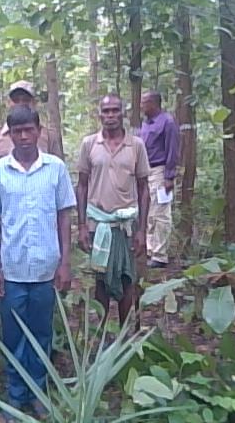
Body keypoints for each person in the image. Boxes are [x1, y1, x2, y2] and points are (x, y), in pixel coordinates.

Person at [0, 105, 76, 423]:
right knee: (13, 335)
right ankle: (15, 397)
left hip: (46, 267)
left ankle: (38, 393)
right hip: (12, 269)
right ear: (9, 134)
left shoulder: (55, 168)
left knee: (41, 332)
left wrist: (65, 261)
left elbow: (64, 216)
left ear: (38, 131)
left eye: (28, 130)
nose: (23, 136)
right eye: (17, 131)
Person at [76, 94, 150, 328]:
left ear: (123, 113)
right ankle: (101, 335)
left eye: (115, 110)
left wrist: (142, 230)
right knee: (101, 281)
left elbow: (144, 188)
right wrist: (82, 226)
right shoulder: (89, 144)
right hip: (98, 224)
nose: (110, 115)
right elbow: (82, 185)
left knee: (128, 278)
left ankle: (127, 334)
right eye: (106, 111)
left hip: (126, 225)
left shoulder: (136, 145)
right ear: (99, 115)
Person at [139, 90, 180, 268]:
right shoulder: (145, 124)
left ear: (154, 103)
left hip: (160, 171)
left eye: (144, 102)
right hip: (146, 172)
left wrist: (169, 176)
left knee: (161, 213)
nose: (141, 105)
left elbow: (173, 149)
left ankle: (160, 254)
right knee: (148, 212)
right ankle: (149, 250)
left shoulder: (167, 122)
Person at [0, 80, 64, 163]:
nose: (21, 103)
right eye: (16, 100)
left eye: (26, 100)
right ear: (8, 103)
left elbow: (56, 166)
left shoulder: (48, 136)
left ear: (34, 103)